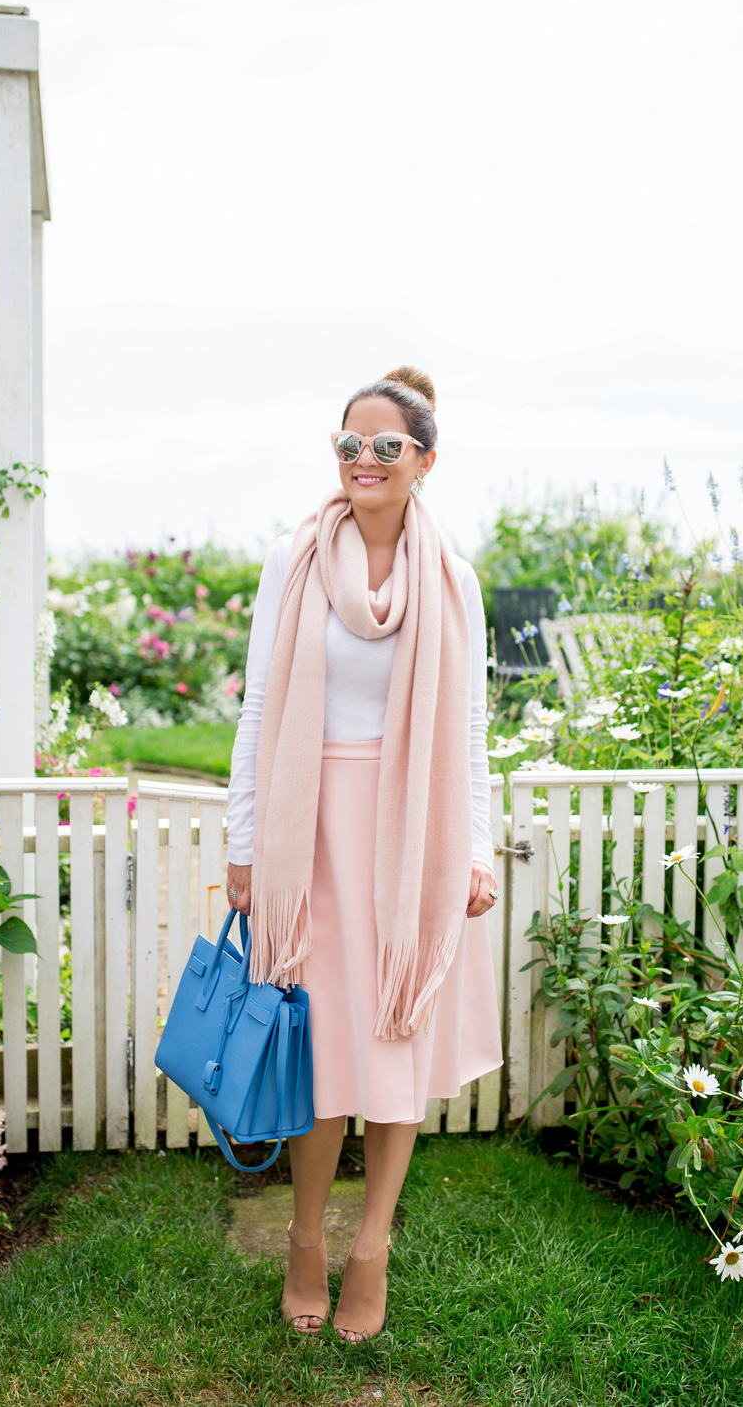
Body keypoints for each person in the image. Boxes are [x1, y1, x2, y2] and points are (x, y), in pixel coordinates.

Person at [225, 366, 502, 1343]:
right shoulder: (290, 563)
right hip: (312, 840)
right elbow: (260, 708)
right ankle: (307, 1238)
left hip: (410, 837)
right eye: (349, 444)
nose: (364, 461)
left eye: (386, 446)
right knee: (316, 1048)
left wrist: (473, 848)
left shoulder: (450, 579)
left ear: (425, 460)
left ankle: (371, 1247)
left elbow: (466, 731)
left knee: (391, 1046)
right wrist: (246, 843)